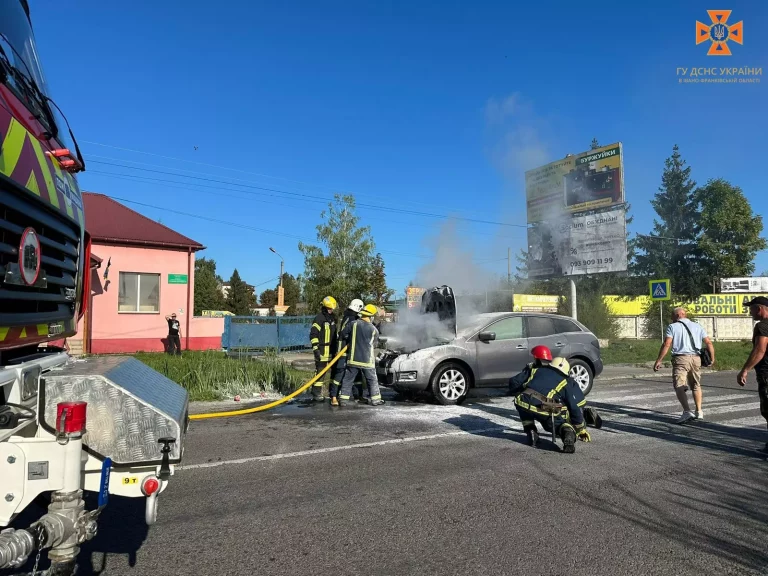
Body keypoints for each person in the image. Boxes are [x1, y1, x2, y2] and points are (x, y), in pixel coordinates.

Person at [511, 356, 591, 453]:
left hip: (523, 402)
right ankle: (567, 432)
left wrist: (522, 389)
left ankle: (530, 430)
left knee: (525, 410)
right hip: (544, 408)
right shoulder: (565, 382)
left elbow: (513, 382)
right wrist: (580, 428)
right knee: (558, 422)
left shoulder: (536, 370)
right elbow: (573, 407)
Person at [653, 307, 715, 424]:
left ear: (677, 316)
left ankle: (687, 411)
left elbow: (667, 344)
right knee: (696, 384)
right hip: (696, 358)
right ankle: (699, 411)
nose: (671, 319)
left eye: (672, 316)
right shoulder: (697, 326)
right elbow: (708, 343)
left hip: (681, 358)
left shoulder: (673, 327)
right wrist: (712, 358)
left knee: (679, 385)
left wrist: (659, 360)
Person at [337, 304, 384, 407]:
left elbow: (343, 334)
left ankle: (343, 400)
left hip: (353, 359)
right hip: (367, 361)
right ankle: (376, 400)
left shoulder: (353, 324)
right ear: (371, 317)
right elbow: (375, 344)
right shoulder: (374, 330)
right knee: (372, 380)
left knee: (348, 379)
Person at [737, 296, 768, 452]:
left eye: (751, 308)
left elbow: (760, 350)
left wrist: (745, 369)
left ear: (759, 309)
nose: (750, 312)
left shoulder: (762, 326)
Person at [329, 299, 364, 403]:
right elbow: (342, 335)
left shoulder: (352, 318)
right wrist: (339, 352)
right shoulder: (350, 318)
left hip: (353, 352)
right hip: (344, 353)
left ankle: (358, 396)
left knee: (357, 375)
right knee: (339, 374)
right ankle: (334, 396)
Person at [309, 296, 338, 402]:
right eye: (329, 309)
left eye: (332, 309)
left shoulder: (333, 319)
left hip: (332, 351)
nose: (331, 310)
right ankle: (316, 393)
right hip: (321, 351)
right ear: (325, 307)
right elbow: (313, 335)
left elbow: (335, 335)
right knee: (320, 373)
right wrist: (316, 349)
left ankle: (333, 393)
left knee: (334, 374)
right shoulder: (319, 318)